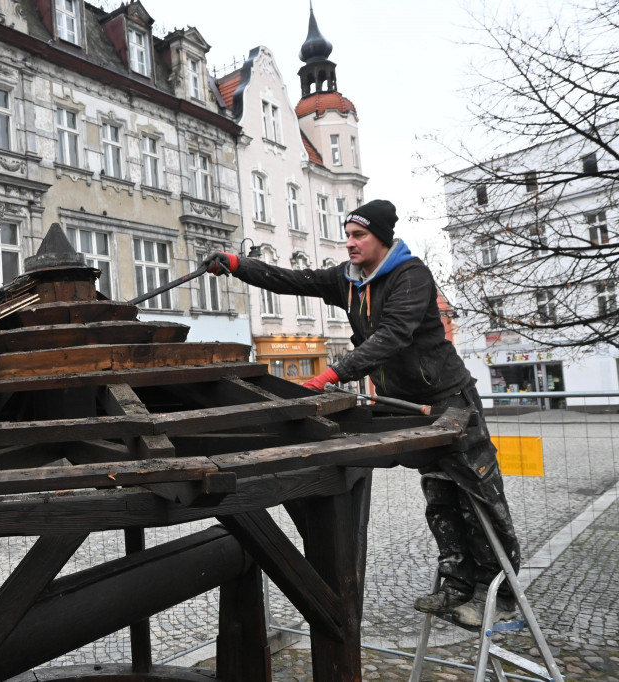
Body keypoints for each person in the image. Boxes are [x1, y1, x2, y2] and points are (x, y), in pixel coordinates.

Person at [204, 199, 522, 625]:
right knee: (440, 498)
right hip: (408, 406)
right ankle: (456, 585)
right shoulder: (348, 279)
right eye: (347, 235)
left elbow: (391, 337)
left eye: (359, 236)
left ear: (381, 239)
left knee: (478, 497)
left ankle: (497, 596)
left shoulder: (411, 277)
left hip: (450, 401)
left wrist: (331, 374)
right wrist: (237, 264)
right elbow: (292, 280)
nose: (349, 243)